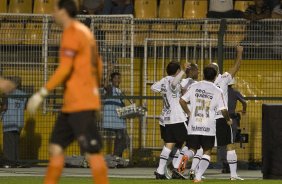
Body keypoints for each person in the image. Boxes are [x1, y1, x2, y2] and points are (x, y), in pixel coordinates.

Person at [26, 1, 108, 184]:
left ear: (63, 11)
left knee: (91, 151)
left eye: (55, 10)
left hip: (80, 103)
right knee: (56, 147)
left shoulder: (72, 33)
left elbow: (64, 68)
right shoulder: (85, 32)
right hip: (72, 104)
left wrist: (42, 93)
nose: (53, 14)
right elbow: (99, 64)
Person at [179, 66, 231, 182]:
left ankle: (186, 157)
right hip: (208, 125)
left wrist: (188, 113)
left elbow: (182, 100)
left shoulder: (194, 86)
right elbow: (223, 109)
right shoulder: (217, 90)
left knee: (192, 149)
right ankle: (197, 177)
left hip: (194, 124)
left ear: (203, 74)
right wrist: (228, 119)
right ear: (214, 76)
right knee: (207, 152)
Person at [151, 61, 190, 179]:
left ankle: (160, 171)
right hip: (177, 117)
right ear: (177, 71)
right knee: (192, 142)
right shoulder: (173, 81)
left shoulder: (163, 81)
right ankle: (179, 168)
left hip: (166, 118)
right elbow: (173, 83)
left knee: (171, 144)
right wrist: (184, 70)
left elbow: (153, 87)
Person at [218, 78, 247, 173]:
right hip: (232, 119)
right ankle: (231, 167)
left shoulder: (219, 91)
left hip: (221, 119)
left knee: (222, 143)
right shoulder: (235, 92)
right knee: (230, 143)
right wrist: (244, 110)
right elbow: (244, 102)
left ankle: (224, 165)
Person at [103, 72, 130, 159]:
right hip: (112, 119)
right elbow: (105, 85)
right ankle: (116, 157)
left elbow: (122, 106)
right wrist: (109, 71)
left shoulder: (120, 91)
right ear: (111, 80)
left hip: (118, 119)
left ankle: (117, 157)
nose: (118, 80)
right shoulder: (111, 88)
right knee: (122, 137)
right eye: (115, 78)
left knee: (124, 139)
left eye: (119, 78)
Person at [1, 77, 27, 167]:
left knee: (8, 144)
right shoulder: (24, 94)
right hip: (19, 122)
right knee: (15, 144)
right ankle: (16, 162)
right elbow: (24, 108)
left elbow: (4, 107)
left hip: (9, 121)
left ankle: (8, 163)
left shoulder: (6, 93)